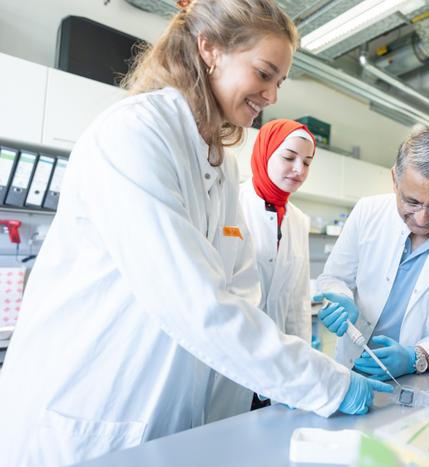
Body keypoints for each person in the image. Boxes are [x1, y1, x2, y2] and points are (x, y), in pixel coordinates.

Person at [0, 1, 391, 465]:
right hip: (91, 407)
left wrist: (282, 377)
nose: (272, 95)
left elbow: (241, 289)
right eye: (264, 73)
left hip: (170, 415)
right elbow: (195, 301)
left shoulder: (218, 161)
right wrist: (322, 382)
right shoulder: (134, 133)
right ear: (210, 49)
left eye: (280, 81)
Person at [314, 128, 429, 380]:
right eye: (411, 202)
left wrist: (418, 357)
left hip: (423, 377)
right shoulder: (367, 212)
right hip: (351, 363)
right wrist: (339, 297)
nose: (422, 219)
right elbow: (335, 277)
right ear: (394, 178)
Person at [206, 118, 317, 421]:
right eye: (289, 157)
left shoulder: (298, 220)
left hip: (277, 366)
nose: (299, 170)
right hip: (228, 361)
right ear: (266, 152)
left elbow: (297, 303)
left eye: (307, 162)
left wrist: (301, 367)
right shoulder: (230, 203)